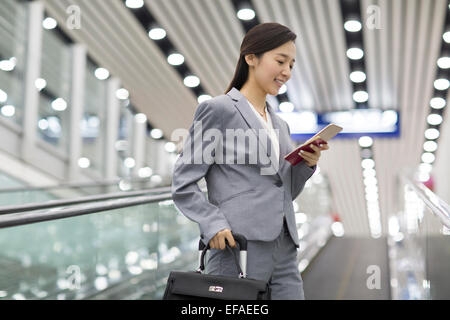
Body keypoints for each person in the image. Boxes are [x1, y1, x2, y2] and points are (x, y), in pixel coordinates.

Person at [171, 22, 329, 299]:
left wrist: (306, 165)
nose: (287, 72)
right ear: (251, 58)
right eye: (280, 61)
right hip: (237, 244)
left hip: (284, 245)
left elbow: (283, 190)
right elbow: (183, 182)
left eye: (292, 65)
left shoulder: (280, 125)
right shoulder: (218, 110)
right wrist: (212, 223)